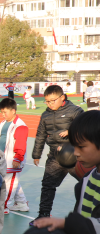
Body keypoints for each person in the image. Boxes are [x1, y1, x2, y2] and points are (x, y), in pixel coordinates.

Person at [31, 84, 84, 224]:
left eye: (52, 100)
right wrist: (36, 154)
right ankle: (43, 214)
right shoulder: (45, 115)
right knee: (47, 185)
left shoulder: (76, 111)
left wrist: (71, 130)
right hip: (55, 157)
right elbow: (40, 135)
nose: (49, 104)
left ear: (62, 97)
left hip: (75, 156)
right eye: (47, 101)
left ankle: (86, 217)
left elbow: (86, 129)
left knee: (87, 184)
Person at [0, 97, 29, 214]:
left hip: (12, 160)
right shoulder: (3, 123)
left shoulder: (20, 126)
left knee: (9, 184)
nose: (3, 114)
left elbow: (21, 144)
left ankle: (4, 207)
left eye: (5, 112)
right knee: (13, 182)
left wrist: (18, 158)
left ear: (13, 111)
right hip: (2, 159)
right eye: (1, 112)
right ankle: (22, 203)